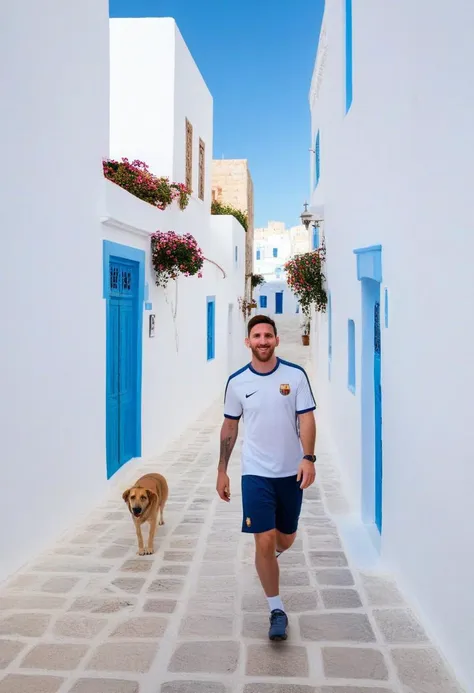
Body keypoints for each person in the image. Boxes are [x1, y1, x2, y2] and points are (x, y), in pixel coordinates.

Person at [216, 314, 317, 641]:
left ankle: (268, 555)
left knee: (284, 538)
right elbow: (230, 426)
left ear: (276, 340)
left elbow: (307, 419)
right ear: (248, 342)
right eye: (256, 336)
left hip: (291, 473)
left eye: (267, 336)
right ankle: (276, 610)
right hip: (255, 473)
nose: (262, 341)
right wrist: (222, 470)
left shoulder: (296, 376)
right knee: (264, 538)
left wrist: (308, 458)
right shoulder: (237, 382)